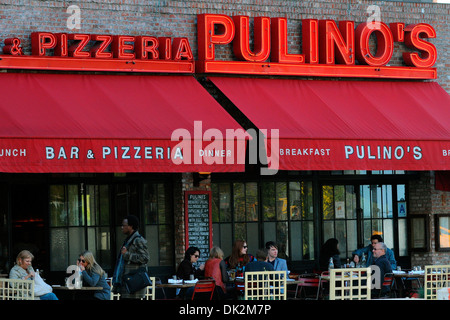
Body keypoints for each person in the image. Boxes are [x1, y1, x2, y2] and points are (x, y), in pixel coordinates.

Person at [112, 215, 150, 299]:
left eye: (124, 225)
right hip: (126, 282)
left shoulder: (138, 240)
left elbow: (145, 258)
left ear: (131, 226)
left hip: (134, 283)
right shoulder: (128, 240)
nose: (122, 227)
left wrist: (127, 254)